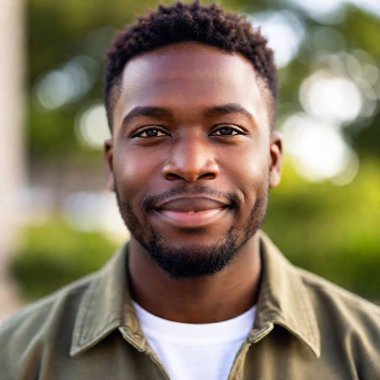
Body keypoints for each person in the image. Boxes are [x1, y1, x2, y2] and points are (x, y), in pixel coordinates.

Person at [1, 2, 379, 379]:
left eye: (227, 130)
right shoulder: (15, 358)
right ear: (111, 163)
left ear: (273, 160)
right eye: (150, 132)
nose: (190, 165)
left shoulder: (367, 352)